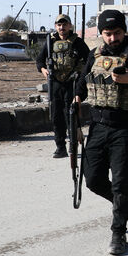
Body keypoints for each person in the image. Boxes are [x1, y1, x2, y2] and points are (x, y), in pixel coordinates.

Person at [74, 9, 128, 255]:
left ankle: (118, 234)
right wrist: (77, 97)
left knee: (122, 183)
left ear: (124, 31)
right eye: (107, 34)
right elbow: (83, 82)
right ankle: (123, 202)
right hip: (98, 126)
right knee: (92, 180)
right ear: (101, 33)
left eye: (117, 33)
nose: (112, 38)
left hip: (125, 127)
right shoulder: (95, 54)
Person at [36, 14, 90, 158]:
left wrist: (80, 76)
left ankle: (73, 146)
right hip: (55, 84)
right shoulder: (50, 42)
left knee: (70, 115)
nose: (62, 27)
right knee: (56, 116)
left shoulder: (77, 42)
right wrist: (43, 70)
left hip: (71, 83)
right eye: (59, 25)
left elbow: (89, 60)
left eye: (64, 24)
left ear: (70, 26)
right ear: (56, 26)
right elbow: (40, 60)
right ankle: (60, 147)